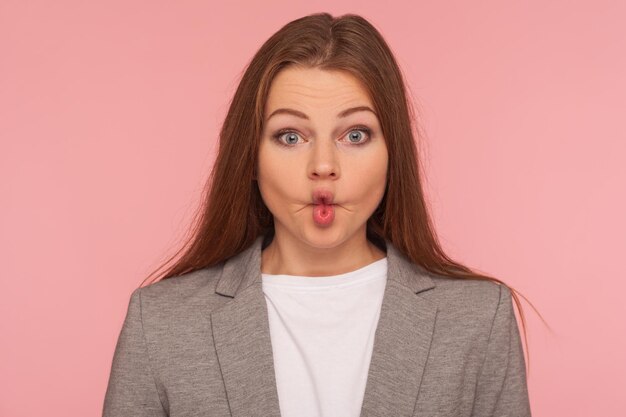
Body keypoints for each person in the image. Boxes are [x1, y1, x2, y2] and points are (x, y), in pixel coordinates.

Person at [102, 12, 533, 417]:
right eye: (290, 136)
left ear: (392, 153)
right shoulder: (161, 324)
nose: (323, 165)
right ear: (250, 157)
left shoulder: (479, 319)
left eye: (355, 134)